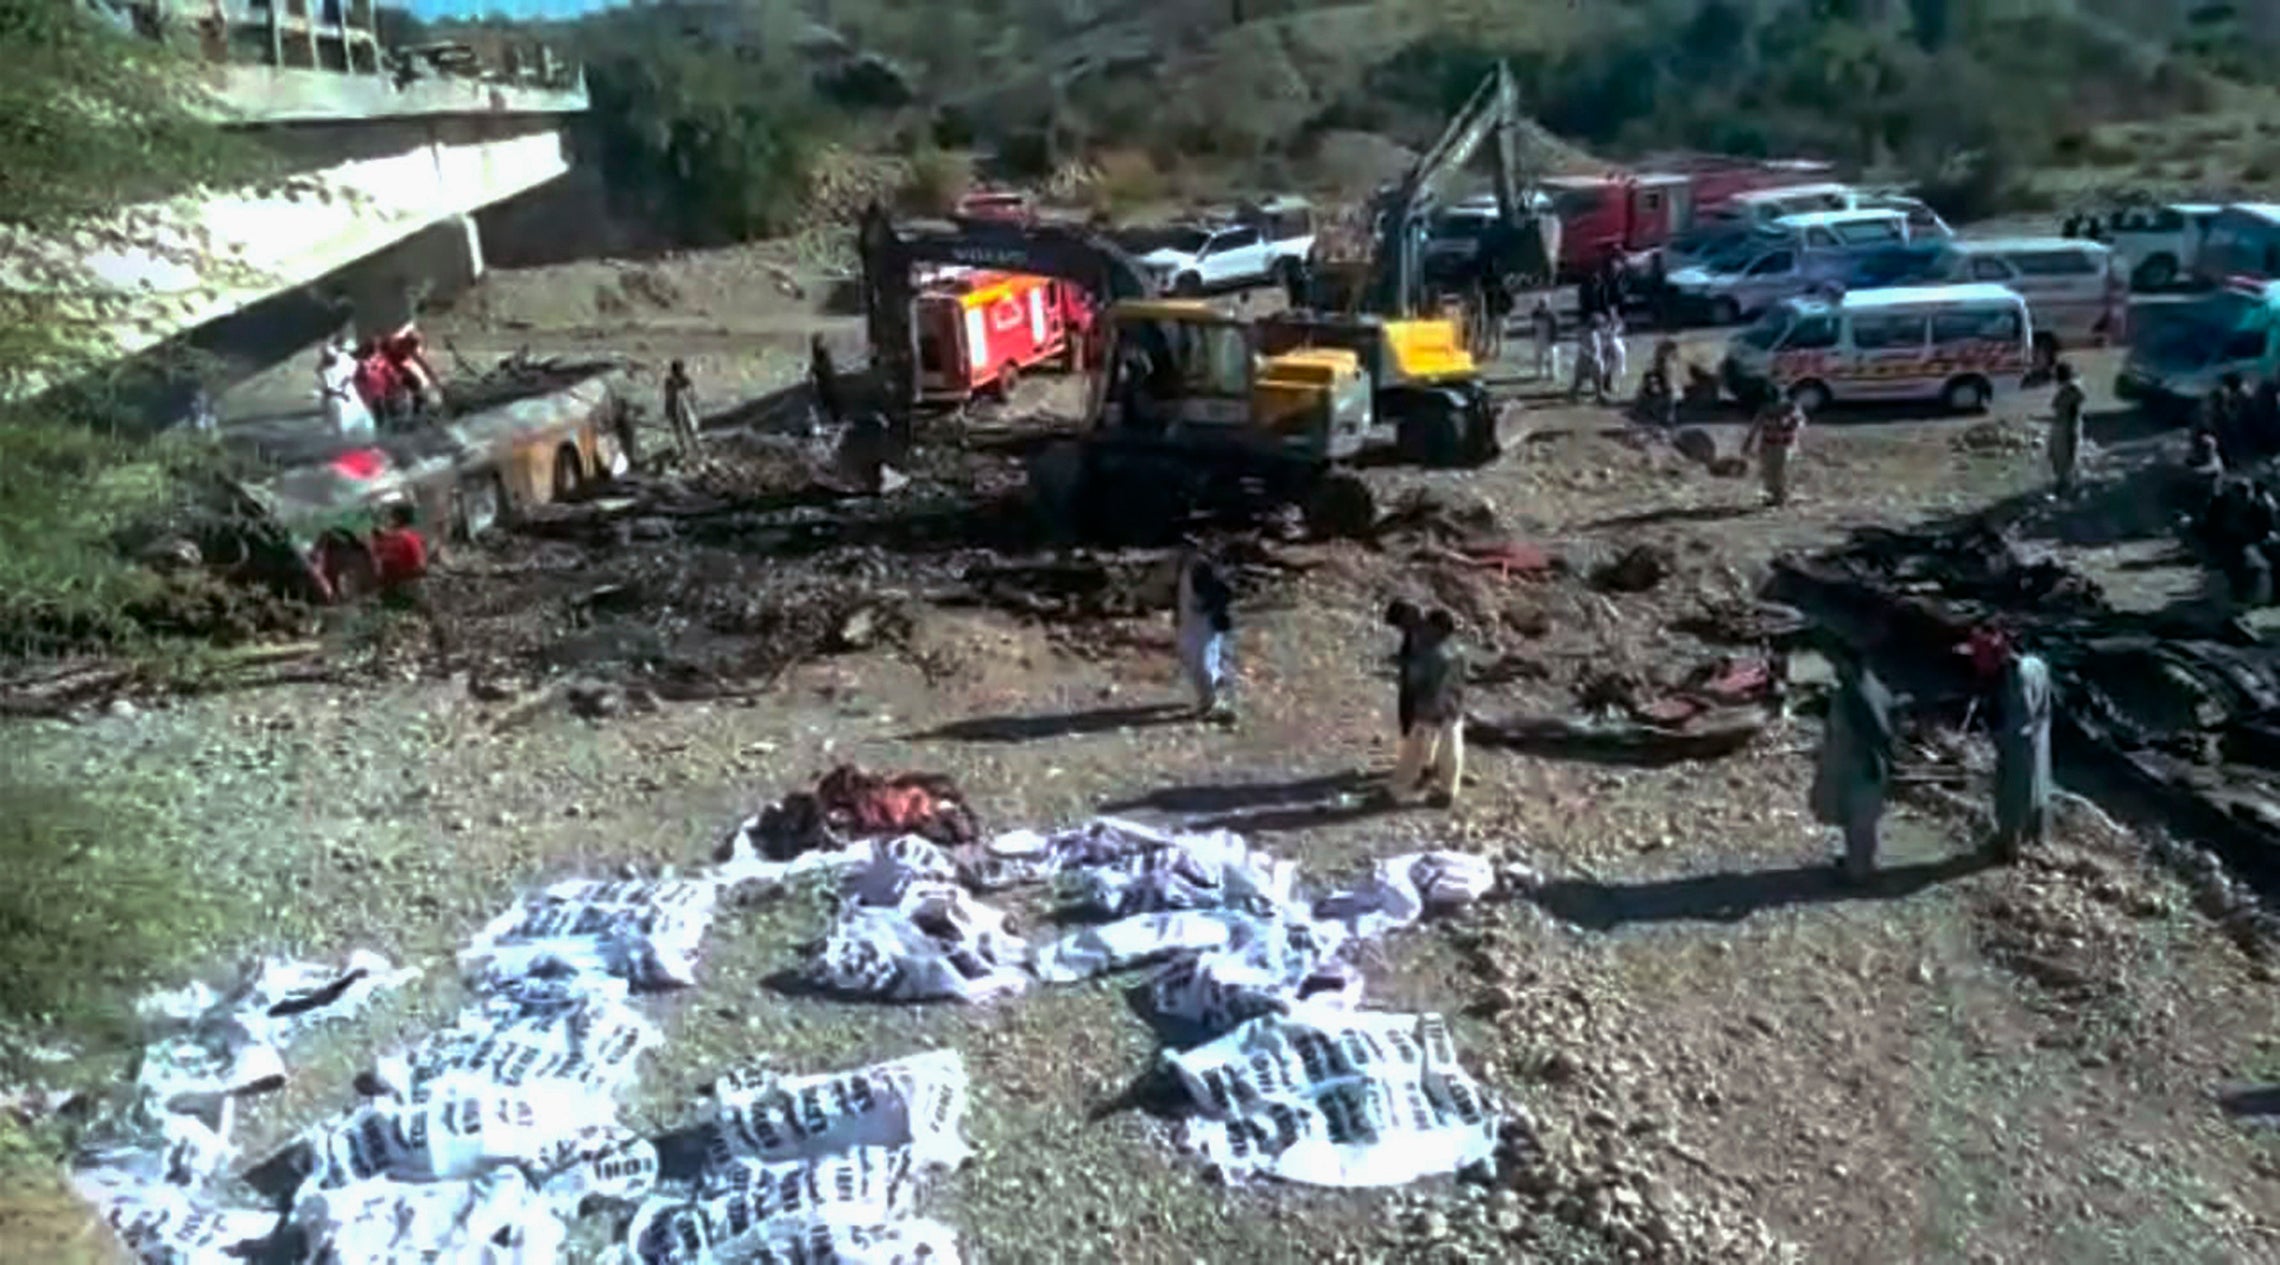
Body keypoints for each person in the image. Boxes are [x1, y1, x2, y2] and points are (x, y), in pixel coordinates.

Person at [1963, 628, 2051, 864]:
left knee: (2012, 795)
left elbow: (2018, 722)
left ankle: (2009, 848)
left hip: (2021, 743)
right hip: (2038, 734)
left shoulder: (2017, 679)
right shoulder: (2034, 665)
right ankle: (2036, 836)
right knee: (2037, 787)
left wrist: (1994, 732)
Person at [1811, 646, 1896, 885]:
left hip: (1862, 764)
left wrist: (1873, 756)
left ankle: (1859, 871)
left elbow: (1879, 730)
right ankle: (1855, 863)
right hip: (1854, 762)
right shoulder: (1853, 689)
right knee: (1855, 817)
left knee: (1860, 820)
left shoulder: (1862, 694)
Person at [1386, 601, 1465, 806]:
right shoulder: (1457, 650)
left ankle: (1398, 789)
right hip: (1453, 707)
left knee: (1413, 751)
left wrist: (1406, 667)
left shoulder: (1432, 653)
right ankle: (1448, 790)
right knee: (1451, 751)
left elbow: (1416, 680)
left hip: (1430, 708)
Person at [369, 500, 447, 660]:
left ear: (394, 517)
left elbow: (376, 562)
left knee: (385, 625)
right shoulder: (410, 539)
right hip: (410, 587)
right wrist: (429, 570)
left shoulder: (382, 539)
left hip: (387, 588)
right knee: (434, 619)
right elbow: (418, 566)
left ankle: (378, 659)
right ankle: (444, 658)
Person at [1176, 548, 1236, 724]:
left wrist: (1207, 609)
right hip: (1197, 622)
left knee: (1204, 661)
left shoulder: (1200, 568)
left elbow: (1215, 597)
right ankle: (1214, 698)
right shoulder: (1194, 567)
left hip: (1203, 623)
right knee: (1205, 659)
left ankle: (1213, 701)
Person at [1742, 396, 1805, 506]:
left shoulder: (1792, 411)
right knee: (1768, 471)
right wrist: (1748, 442)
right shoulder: (1765, 411)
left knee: (1780, 471)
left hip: (1784, 446)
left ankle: (1780, 495)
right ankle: (1772, 493)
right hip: (1768, 445)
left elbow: (1797, 425)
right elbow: (1755, 426)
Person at [318, 339, 374, 441]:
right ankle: (344, 442)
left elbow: (352, 368)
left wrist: (344, 384)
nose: (332, 359)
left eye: (333, 357)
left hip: (349, 393)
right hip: (339, 399)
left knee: (362, 417)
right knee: (342, 423)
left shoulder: (343, 357)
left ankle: (367, 439)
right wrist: (341, 393)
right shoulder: (323, 369)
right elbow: (328, 388)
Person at [2048, 361, 2086, 500]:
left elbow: (2072, 415)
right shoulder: (2068, 390)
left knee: (2068, 461)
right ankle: (2066, 486)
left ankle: (2071, 489)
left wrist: (2072, 435)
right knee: (2060, 460)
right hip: (2063, 428)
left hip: (2067, 430)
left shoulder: (2071, 391)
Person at [663, 359, 702, 462]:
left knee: (687, 429)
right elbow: (669, 395)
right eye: (680, 368)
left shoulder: (684, 380)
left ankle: (694, 448)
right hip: (675, 408)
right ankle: (685, 450)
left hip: (682, 409)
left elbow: (691, 394)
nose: (681, 371)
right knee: (679, 430)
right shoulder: (671, 381)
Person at [1570, 313, 1605, 403]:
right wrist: (1592, 357)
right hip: (1589, 359)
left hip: (1590, 358)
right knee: (1581, 378)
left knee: (1595, 379)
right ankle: (1573, 395)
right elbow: (1592, 347)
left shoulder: (1590, 332)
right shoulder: (1591, 334)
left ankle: (1599, 396)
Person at [809, 334, 843, 427]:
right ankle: (832, 419)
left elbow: (824, 367)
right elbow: (816, 365)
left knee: (832, 401)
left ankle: (837, 420)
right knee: (826, 401)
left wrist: (814, 368)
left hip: (828, 381)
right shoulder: (816, 351)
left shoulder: (824, 352)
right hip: (823, 381)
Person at [1598, 310, 1628, 399]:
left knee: (1613, 368)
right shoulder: (1603, 324)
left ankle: (1610, 385)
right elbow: (1604, 334)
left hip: (1612, 348)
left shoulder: (1617, 325)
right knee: (1606, 368)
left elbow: (1618, 333)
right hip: (1606, 347)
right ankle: (1605, 385)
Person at [1530, 295, 1559, 381]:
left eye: (1544, 304)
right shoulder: (1535, 314)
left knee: (1552, 357)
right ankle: (1539, 373)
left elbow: (1555, 329)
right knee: (1538, 356)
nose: (1542, 306)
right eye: (1541, 304)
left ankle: (1552, 373)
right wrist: (1533, 336)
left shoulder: (1552, 315)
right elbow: (1533, 326)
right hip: (1539, 337)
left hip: (1549, 337)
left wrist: (1553, 340)